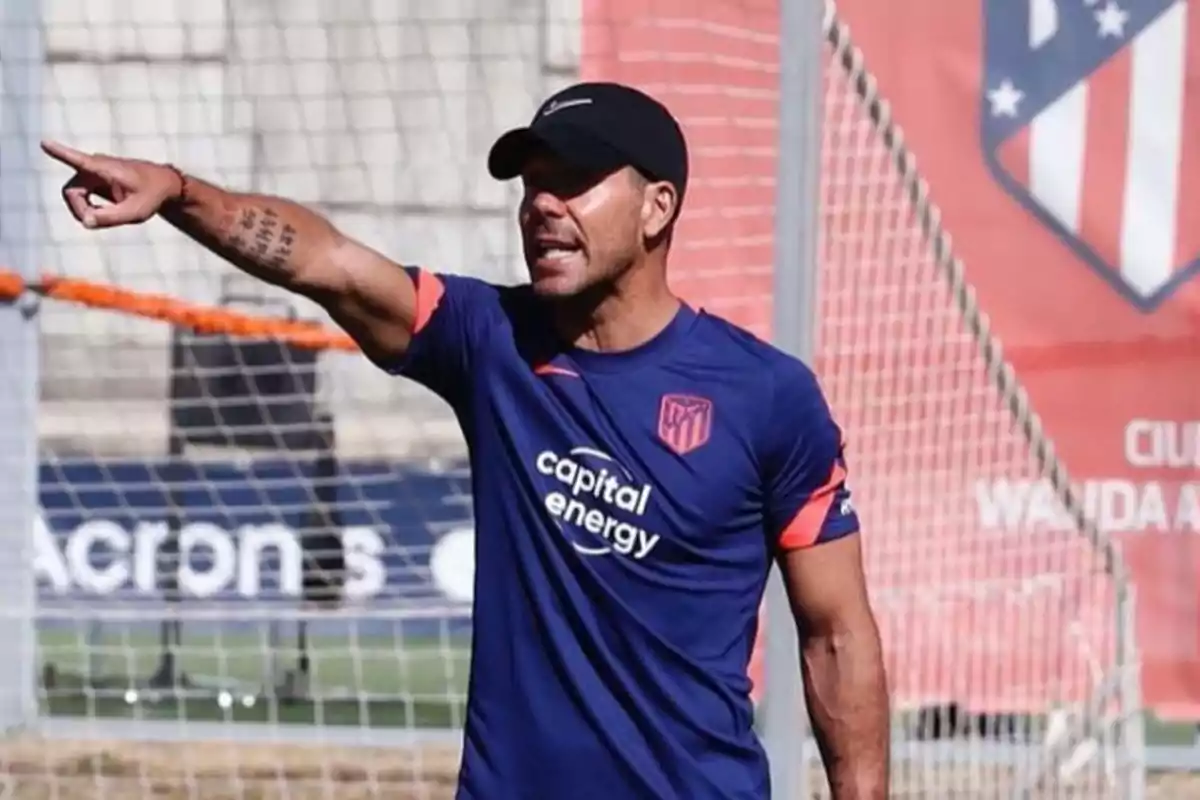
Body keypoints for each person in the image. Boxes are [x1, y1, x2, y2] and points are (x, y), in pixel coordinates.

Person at [43, 80, 890, 799]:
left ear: (658, 207)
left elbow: (837, 636)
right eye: (532, 185)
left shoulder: (769, 396)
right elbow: (327, 261)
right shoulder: (489, 340)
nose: (543, 207)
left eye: (577, 181)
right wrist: (179, 191)